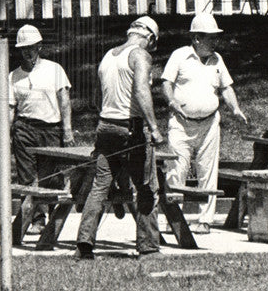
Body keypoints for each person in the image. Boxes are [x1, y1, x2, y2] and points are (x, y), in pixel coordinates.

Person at [76, 16, 164, 260]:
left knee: (99, 188)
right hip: (131, 128)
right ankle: (148, 248)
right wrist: (154, 127)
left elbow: (96, 98)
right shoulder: (140, 56)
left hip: (105, 127)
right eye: (153, 44)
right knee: (146, 187)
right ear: (149, 37)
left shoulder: (108, 56)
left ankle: (84, 243)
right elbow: (141, 90)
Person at [161, 12, 248, 234]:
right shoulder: (179, 56)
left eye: (215, 37)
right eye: (210, 37)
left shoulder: (217, 60)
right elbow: (166, 83)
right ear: (196, 38)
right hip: (181, 124)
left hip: (209, 124)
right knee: (176, 170)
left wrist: (235, 109)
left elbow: (226, 88)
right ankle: (174, 218)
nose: (214, 42)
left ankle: (204, 220)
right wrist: (171, 102)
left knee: (208, 171)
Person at [8, 24, 74, 233]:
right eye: (24, 48)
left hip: (50, 128)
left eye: (32, 47)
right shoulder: (13, 77)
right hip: (25, 128)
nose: (28, 52)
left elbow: (64, 100)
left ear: (39, 47)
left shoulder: (54, 69)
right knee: (27, 177)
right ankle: (37, 220)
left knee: (52, 177)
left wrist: (67, 129)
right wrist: (7, 133)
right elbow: (10, 108)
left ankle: (54, 221)